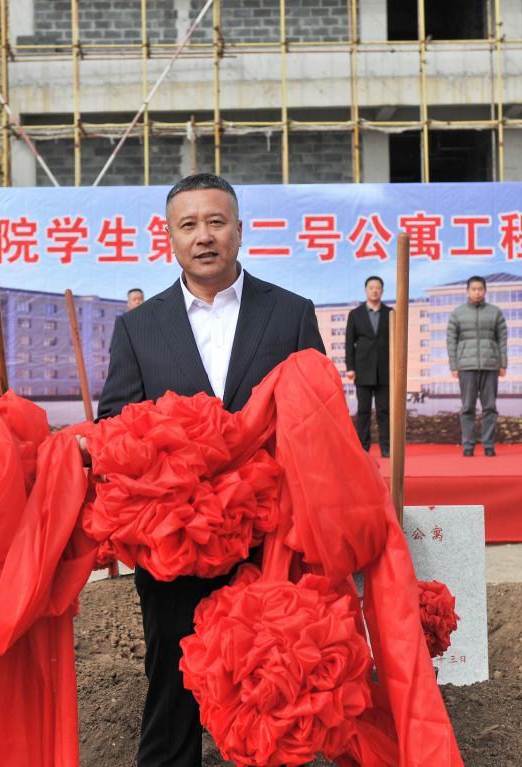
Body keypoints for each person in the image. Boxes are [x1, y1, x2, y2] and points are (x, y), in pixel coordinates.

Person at [95, 173, 325, 767]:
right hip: (175, 542)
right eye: (189, 225)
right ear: (170, 237)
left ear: (240, 232)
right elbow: (115, 425)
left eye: (216, 222)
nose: (204, 236)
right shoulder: (138, 327)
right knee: (172, 675)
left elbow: (319, 423)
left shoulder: (291, 313)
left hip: (268, 535)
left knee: (271, 679)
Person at [447, 275, 507, 457]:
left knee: (490, 407)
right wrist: (454, 365)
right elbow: (451, 341)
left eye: (480, 289)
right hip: (466, 366)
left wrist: (503, 363)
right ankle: (468, 446)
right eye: (473, 289)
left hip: (490, 365)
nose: (477, 292)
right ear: (467, 291)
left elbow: (502, 340)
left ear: (485, 291)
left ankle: (489, 445)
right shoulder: (457, 313)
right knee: (467, 408)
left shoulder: (495, 312)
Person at [345, 275, 392, 457]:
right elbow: (349, 343)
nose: (374, 291)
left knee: (384, 411)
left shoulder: (391, 313)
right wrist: (350, 367)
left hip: (384, 370)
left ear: (382, 290)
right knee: (363, 411)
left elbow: (397, 343)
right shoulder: (355, 314)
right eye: (371, 287)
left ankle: (386, 447)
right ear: (366, 290)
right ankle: (363, 447)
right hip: (362, 369)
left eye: (378, 288)